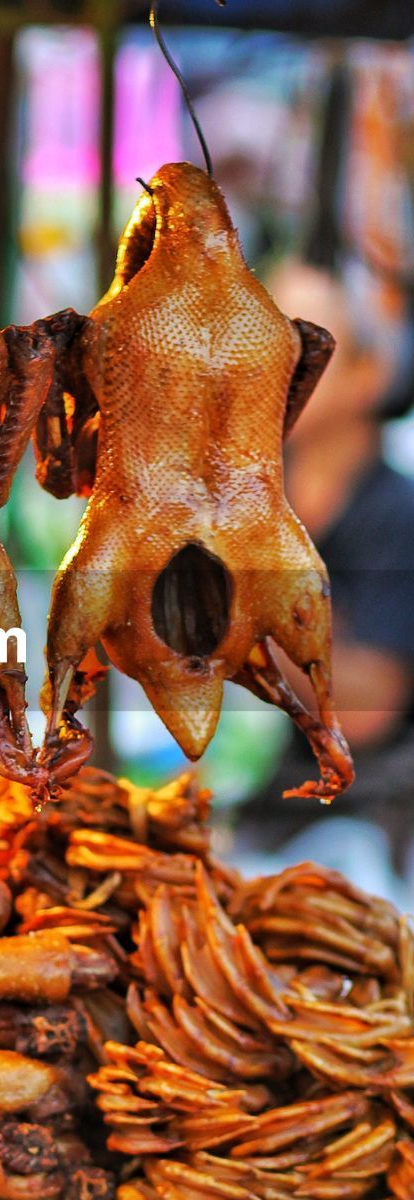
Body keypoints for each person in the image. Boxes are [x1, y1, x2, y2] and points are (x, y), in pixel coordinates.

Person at [236, 259, 414, 886]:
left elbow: (366, 712)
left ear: (371, 373)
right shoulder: (259, 506)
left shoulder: (398, 517)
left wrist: (248, 604)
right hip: (277, 811)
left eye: (303, 346)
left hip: (378, 828)